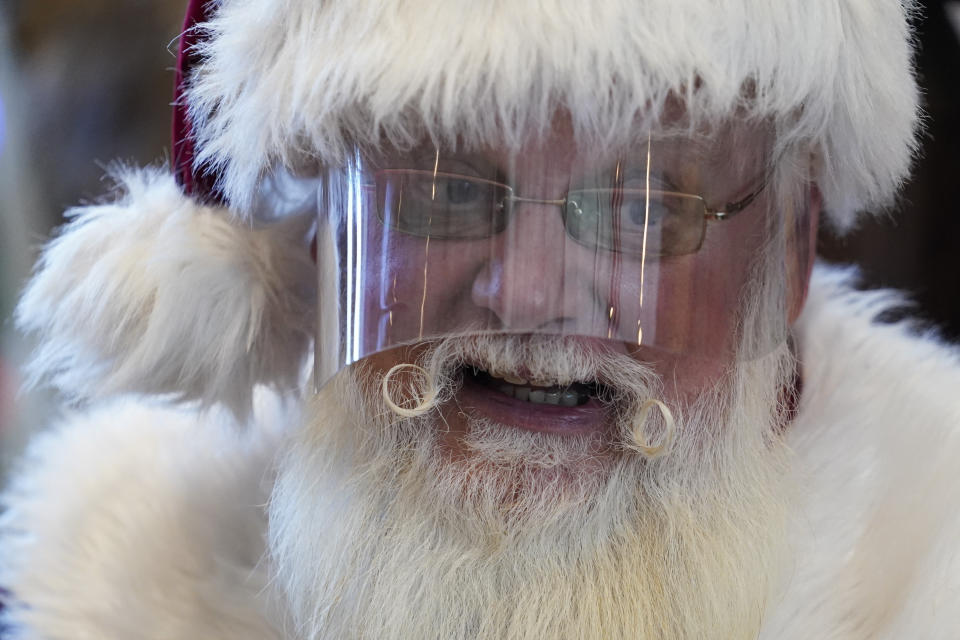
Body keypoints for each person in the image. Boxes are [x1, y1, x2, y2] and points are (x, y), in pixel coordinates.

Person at [2, 0, 958, 638]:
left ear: (785, 261)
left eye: (646, 206)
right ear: (316, 243)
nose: (533, 296)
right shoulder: (118, 590)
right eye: (442, 190)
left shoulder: (929, 571)